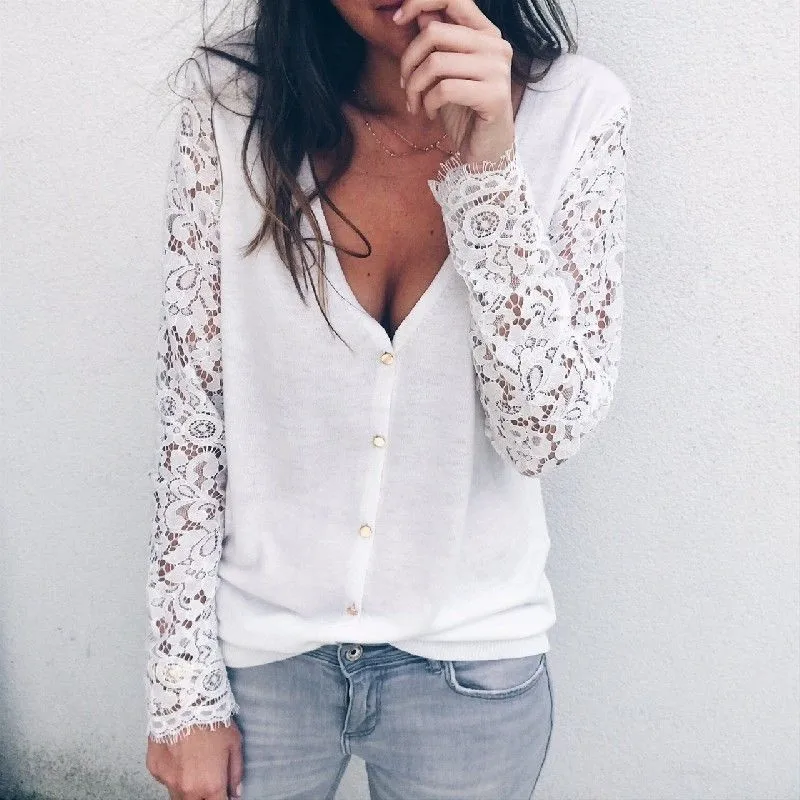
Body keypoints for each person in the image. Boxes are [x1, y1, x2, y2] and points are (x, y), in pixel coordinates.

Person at [144, 1, 631, 798]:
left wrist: (491, 170)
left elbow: (543, 434)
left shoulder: (578, 112)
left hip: (471, 670)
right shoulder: (231, 105)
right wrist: (180, 689)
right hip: (261, 660)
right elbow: (193, 417)